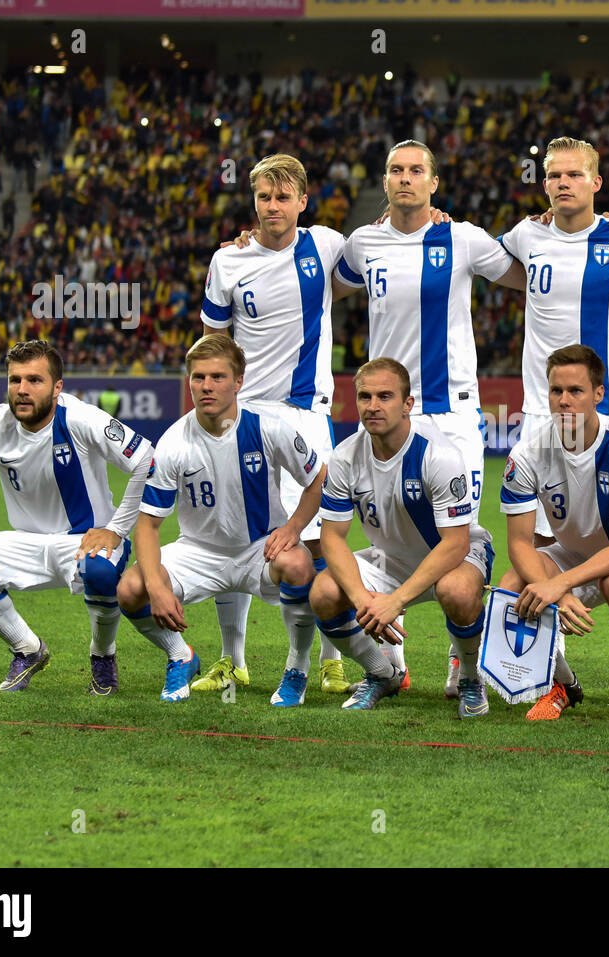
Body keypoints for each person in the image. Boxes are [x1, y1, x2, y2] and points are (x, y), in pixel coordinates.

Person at [332, 140, 524, 693]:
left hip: (453, 412)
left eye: (416, 170)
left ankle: (460, 655)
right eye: (396, 170)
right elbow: (320, 286)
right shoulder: (363, 242)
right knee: (382, 522)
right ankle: (385, 656)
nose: (405, 178)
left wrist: (549, 223)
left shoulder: (462, 238)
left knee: (455, 533)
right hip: (383, 410)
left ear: (433, 183)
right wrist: (257, 243)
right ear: (386, 181)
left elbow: (526, 272)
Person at [498, 135, 609, 700]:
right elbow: (482, 261)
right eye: (554, 175)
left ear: (596, 183)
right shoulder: (525, 237)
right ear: (544, 182)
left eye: (575, 175)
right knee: (540, 551)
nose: (563, 183)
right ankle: (556, 675)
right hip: (539, 416)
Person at [0, 339, 154, 695]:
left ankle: (102, 657)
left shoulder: (82, 417)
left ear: (57, 387)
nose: (22, 390)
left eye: (34, 380)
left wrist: (116, 529)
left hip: (86, 541)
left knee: (102, 570)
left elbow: (145, 458)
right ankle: (27, 649)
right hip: (27, 541)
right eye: (15, 380)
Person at [199, 154, 343, 697]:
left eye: (283, 197)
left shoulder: (326, 246)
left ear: (302, 203)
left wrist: (436, 215)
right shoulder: (226, 261)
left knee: (316, 539)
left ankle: (324, 660)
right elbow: (215, 343)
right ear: (253, 202)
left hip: (306, 414)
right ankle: (232, 660)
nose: (272, 206)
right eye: (264, 197)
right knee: (230, 532)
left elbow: (384, 247)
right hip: (245, 415)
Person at [116, 334, 323, 704]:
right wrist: (157, 587)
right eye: (198, 377)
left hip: (259, 548)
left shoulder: (268, 427)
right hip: (198, 551)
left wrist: (292, 528)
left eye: (217, 377)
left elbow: (317, 478)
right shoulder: (173, 443)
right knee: (131, 589)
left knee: (298, 562)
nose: (206, 386)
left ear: (238, 382)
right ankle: (181, 655)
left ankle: (297, 668)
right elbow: (147, 525)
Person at [310, 358, 494, 717]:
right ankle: (382, 674)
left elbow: (455, 543)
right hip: (389, 559)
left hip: (455, 554)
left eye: (385, 396)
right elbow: (331, 538)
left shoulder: (438, 454)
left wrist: (394, 602)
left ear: (407, 404)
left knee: (456, 591)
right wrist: (363, 598)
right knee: (324, 592)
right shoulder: (346, 456)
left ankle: (470, 678)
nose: (373, 406)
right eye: (365, 396)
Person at [499, 345, 609, 725]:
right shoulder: (527, 452)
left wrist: (562, 585)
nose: (564, 400)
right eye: (556, 391)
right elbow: (519, 543)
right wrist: (552, 584)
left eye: (575, 391)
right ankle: (562, 686)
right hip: (573, 551)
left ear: (598, 394)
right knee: (515, 585)